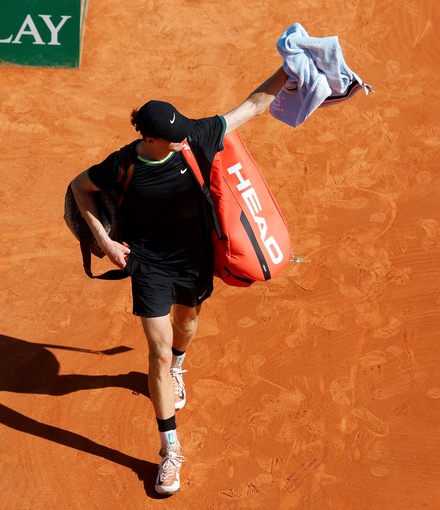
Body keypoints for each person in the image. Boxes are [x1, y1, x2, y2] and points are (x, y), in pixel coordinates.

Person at [70, 66, 289, 495]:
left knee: (185, 326)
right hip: (148, 264)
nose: (182, 140)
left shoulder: (196, 137)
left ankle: (178, 367)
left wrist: (287, 66)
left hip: (194, 259)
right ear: (149, 139)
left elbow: (253, 104)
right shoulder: (122, 163)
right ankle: (170, 450)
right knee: (156, 348)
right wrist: (106, 242)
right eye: (173, 138)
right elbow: (80, 187)